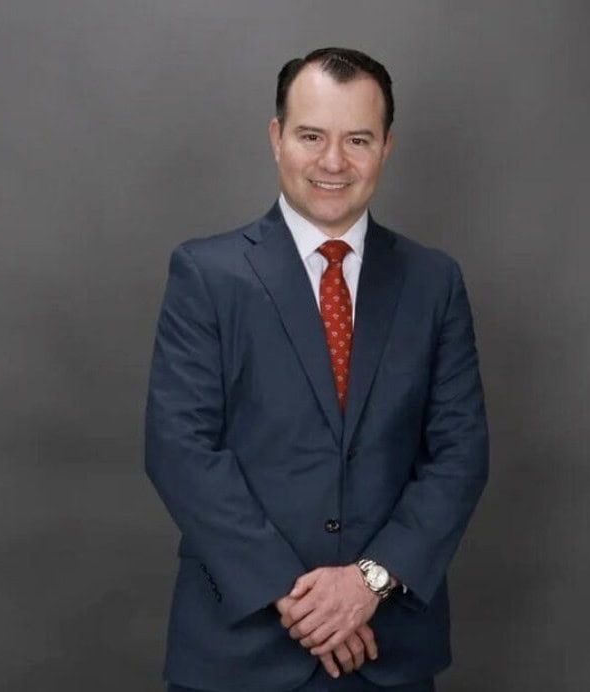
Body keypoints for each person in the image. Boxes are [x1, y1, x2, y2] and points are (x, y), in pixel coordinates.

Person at [145, 47, 489, 692]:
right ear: (277, 139)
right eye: (312, 136)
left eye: (358, 139)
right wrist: (301, 600)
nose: (334, 162)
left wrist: (368, 582)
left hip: (387, 649)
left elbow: (460, 455)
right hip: (237, 652)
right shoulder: (206, 274)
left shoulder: (433, 282)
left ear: (386, 146)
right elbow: (180, 451)